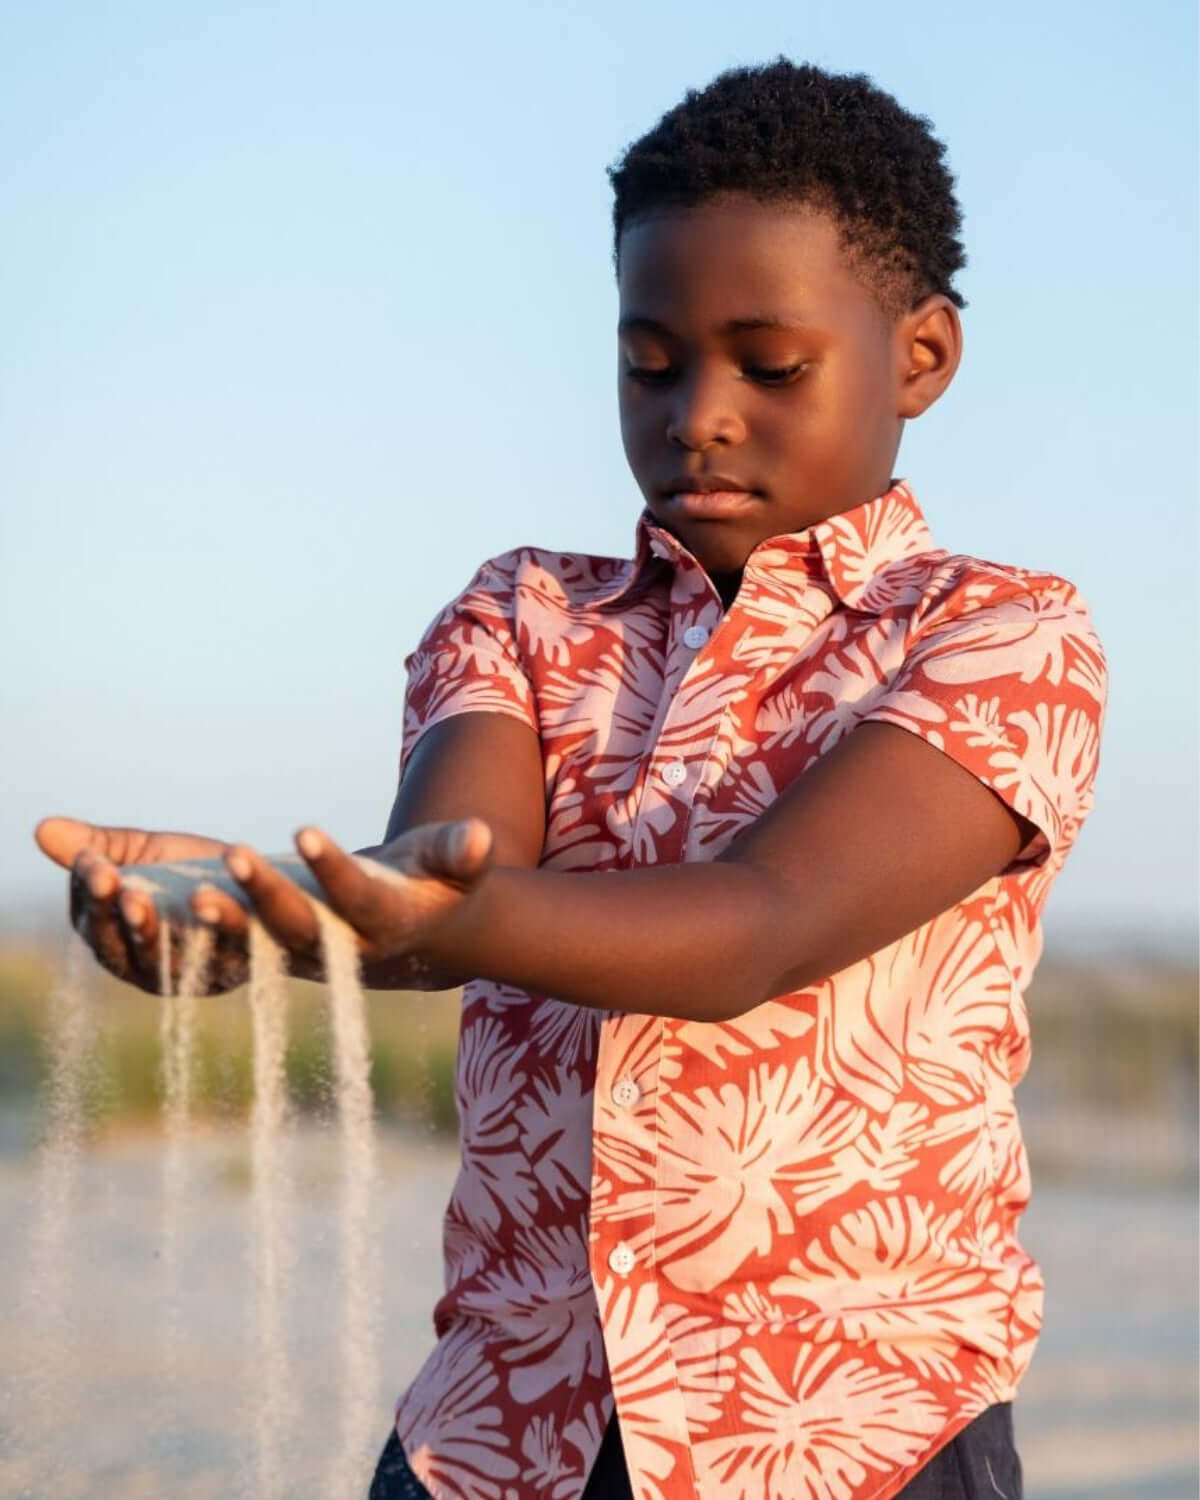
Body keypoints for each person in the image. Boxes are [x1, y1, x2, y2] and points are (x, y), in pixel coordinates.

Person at [35, 57, 1107, 1500]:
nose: (699, 415)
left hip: (848, 1435)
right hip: (500, 1432)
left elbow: (753, 927)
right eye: (650, 362)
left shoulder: (998, 634)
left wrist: (404, 917)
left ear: (920, 356)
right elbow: (450, 873)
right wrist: (278, 913)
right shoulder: (526, 614)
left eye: (769, 365)